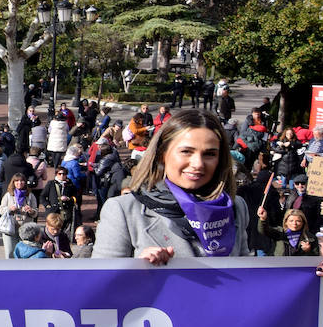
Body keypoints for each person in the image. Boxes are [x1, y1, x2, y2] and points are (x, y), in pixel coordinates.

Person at [94, 109, 249, 262]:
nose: (198, 164)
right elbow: (102, 277)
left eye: (210, 154)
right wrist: (137, 269)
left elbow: (246, 272)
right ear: (162, 155)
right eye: (186, 151)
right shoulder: (123, 211)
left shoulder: (235, 207)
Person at [0, 173, 38, 259]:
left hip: (26, 228)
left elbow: (36, 212)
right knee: (10, 251)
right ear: (13, 182)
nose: (19, 183)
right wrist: (9, 209)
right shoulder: (8, 195)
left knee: (25, 252)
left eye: (22, 181)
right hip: (10, 227)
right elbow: (1, 210)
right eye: (17, 181)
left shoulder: (30, 195)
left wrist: (31, 211)